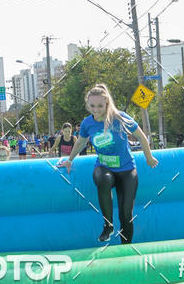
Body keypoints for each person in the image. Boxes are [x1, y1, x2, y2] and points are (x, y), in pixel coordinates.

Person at [59, 83, 158, 244]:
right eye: (92, 106)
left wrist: (149, 157)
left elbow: (141, 136)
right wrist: (69, 160)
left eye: (100, 105)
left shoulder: (120, 117)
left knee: (126, 215)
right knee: (101, 178)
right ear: (88, 104)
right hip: (105, 168)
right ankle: (108, 225)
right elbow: (80, 143)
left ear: (107, 103)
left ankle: (126, 248)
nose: (96, 109)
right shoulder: (87, 123)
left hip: (126, 170)